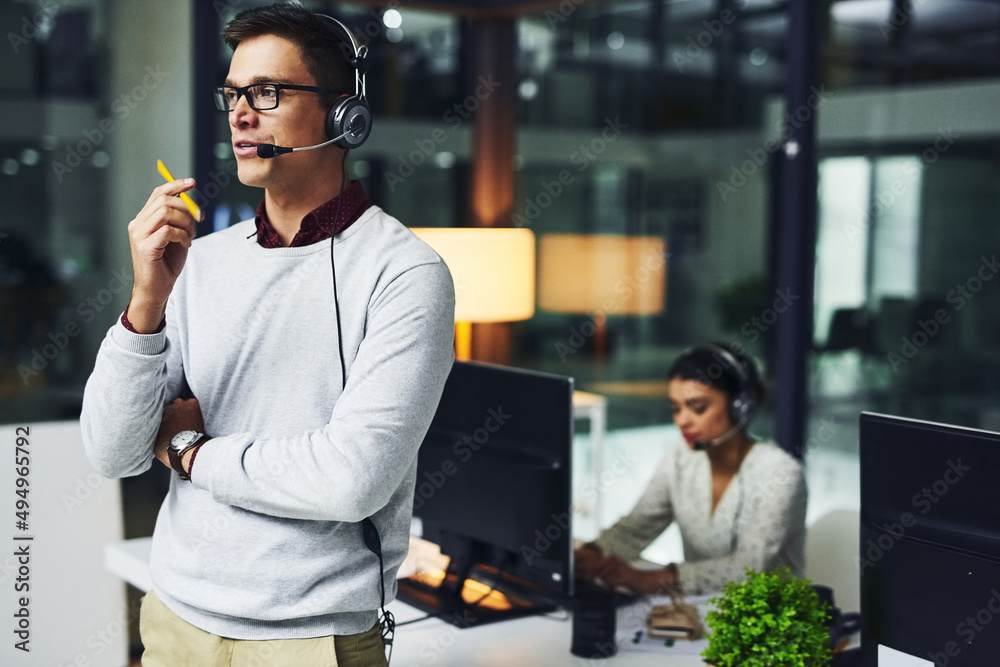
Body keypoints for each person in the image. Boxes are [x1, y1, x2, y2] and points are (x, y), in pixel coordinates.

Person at [80, 4, 455, 666]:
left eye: (267, 93)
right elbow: (113, 452)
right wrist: (146, 304)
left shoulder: (407, 275)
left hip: (310, 638)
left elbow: (350, 479)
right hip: (173, 616)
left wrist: (192, 450)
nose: (240, 114)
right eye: (232, 94)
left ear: (345, 113)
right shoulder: (200, 262)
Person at [575, 343, 806, 596]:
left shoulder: (781, 473)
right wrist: (591, 554)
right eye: (676, 408)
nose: (682, 420)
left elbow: (748, 569)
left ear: (741, 405)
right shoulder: (682, 458)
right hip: (702, 611)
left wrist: (646, 579)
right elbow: (636, 529)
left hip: (769, 623)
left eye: (698, 408)